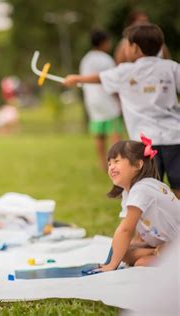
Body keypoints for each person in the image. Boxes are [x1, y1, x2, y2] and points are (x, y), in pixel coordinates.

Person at [64, 24, 180, 198]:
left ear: (134, 47)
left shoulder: (125, 71)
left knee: (147, 189)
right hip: (175, 137)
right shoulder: (172, 67)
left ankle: (155, 222)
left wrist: (77, 79)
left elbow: (99, 78)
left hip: (145, 143)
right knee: (178, 185)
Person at [96, 137, 179, 272]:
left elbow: (125, 230)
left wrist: (111, 265)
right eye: (109, 163)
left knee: (141, 263)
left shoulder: (141, 189)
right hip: (167, 242)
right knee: (124, 251)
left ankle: (163, 253)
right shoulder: (130, 191)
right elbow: (127, 229)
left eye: (116, 161)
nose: (111, 167)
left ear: (138, 165)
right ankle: (159, 251)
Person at [79, 30, 122, 171]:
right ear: (103, 42)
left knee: (99, 133)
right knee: (114, 131)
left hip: (92, 101)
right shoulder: (106, 59)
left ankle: (103, 164)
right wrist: (119, 99)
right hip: (107, 100)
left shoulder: (85, 59)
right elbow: (113, 81)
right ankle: (117, 164)